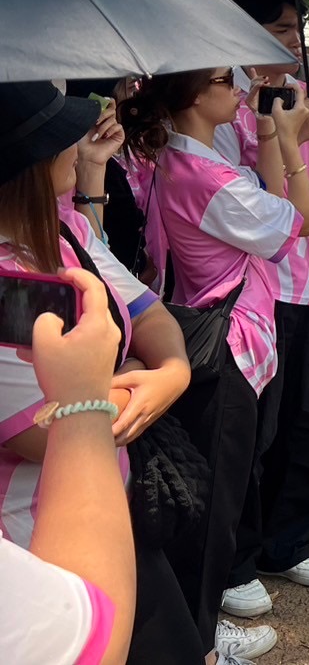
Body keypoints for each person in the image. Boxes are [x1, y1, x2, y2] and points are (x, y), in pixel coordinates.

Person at [0, 82, 204, 664]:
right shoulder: (9, 280)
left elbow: (150, 314)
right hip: (38, 541)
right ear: (31, 163)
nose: (78, 143)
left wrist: (170, 372)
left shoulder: (65, 232)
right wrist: (138, 372)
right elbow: (44, 435)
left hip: (116, 508)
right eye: (63, 136)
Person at [122, 66, 309, 660]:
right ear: (191, 95)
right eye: (220, 80)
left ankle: (198, 632)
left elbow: (269, 207)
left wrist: (269, 133)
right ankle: (201, 643)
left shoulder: (179, 164)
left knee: (219, 495)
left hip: (211, 336)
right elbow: (303, 219)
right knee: (216, 509)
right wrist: (293, 142)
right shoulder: (208, 177)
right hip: (229, 344)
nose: (236, 89)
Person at [216, 0, 309, 617]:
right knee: (256, 431)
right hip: (257, 291)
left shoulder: (302, 98)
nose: (292, 41)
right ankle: (238, 556)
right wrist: (297, 203)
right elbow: (258, 208)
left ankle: (292, 538)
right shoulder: (223, 103)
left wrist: (301, 210)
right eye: (278, 29)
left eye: (296, 28)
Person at [1, 266, 132, 665]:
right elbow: (96, 634)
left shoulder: (74, 237)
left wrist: (172, 370)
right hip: (35, 529)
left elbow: (154, 320)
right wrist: (82, 400)